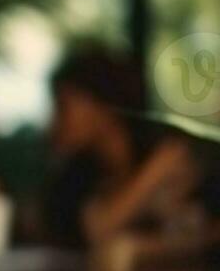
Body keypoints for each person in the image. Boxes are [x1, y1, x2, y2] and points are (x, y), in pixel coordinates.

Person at [40, 48, 199, 249]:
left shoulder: (170, 151)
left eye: (63, 106)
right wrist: (155, 171)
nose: (54, 121)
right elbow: (89, 231)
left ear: (103, 104)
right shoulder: (80, 172)